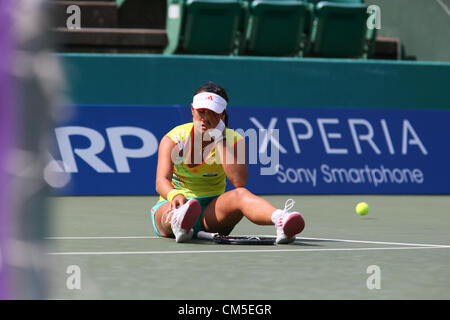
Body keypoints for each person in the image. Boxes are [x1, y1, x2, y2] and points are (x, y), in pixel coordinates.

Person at [150, 82, 305, 244]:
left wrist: (218, 136)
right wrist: (175, 195)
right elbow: (161, 181)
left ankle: (281, 219)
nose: (205, 118)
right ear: (192, 109)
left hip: (213, 213)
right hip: (175, 202)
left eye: (212, 113)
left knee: (241, 194)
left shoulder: (233, 140)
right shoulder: (173, 139)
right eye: (201, 112)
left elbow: (239, 181)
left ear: (222, 115)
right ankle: (178, 221)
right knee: (167, 212)